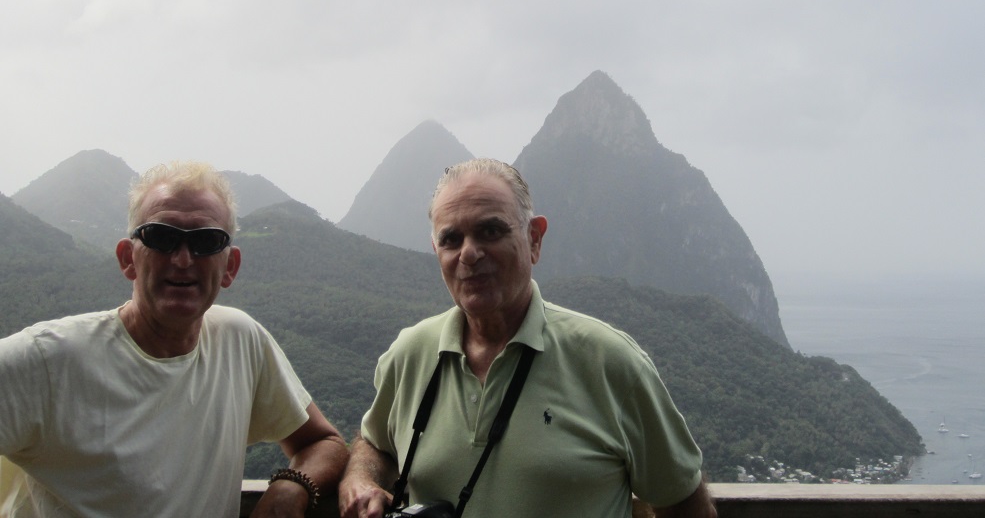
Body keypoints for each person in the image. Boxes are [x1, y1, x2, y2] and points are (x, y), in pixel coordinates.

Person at [339, 158, 716, 518]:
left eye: (490, 231)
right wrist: (360, 479)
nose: (469, 253)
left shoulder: (610, 361)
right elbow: (375, 442)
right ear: (437, 252)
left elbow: (685, 503)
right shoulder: (411, 353)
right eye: (452, 239)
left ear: (534, 238)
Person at [0, 160, 349, 517]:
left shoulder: (241, 342)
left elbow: (324, 442)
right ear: (127, 259)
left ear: (230, 267)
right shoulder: (48, 360)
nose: (183, 260)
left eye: (206, 241)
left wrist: (292, 486)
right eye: (161, 237)